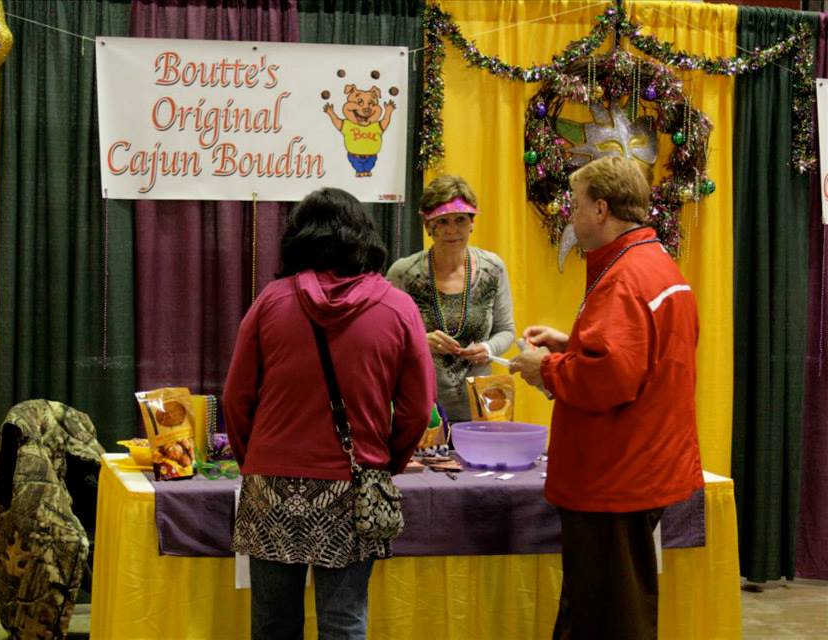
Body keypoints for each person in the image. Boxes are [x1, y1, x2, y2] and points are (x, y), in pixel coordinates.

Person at [224, 187, 435, 640]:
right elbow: (418, 410)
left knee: (273, 623)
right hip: (353, 483)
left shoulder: (270, 302)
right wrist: (383, 462)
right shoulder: (399, 307)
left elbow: (236, 399)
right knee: (344, 622)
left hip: (272, 484)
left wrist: (255, 461)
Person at [510, 156, 704, 639]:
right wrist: (572, 346)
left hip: (615, 476)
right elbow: (640, 361)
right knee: (604, 605)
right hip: (639, 466)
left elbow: (612, 378)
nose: (569, 215)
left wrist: (547, 370)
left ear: (600, 209)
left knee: (611, 615)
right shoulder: (656, 265)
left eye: (574, 205)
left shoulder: (623, 278)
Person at [386, 175, 515, 423]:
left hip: (480, 409)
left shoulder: (493, 268)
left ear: (471, 224)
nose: (452, 230)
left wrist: (488, 348)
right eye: (442, 221)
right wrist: (421, 341)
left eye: (460, 220)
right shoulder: (403, 272)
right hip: (422, 410)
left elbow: (506, 330)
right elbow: (384, 340)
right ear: (428, 226)